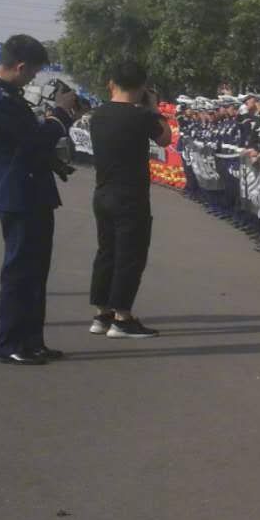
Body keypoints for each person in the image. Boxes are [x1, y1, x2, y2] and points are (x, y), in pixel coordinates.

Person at [0, 34, 65, 367]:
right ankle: (10, 343)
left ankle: (32, 340)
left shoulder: (5, 95)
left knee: (35, 272)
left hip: (30, 192)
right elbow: (32, 141)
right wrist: (60, 116)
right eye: (32, 72)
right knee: (19, 273)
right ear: (20, 66)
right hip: (19, 194)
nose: (33, 78)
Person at [86, 59, 171, 339]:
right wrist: (154, 108)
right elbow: (165, 139)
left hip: (103, 192)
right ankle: (122, 318)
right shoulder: (142, 116)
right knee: (129, 256)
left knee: (106, 253)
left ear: (111, 83)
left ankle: (102, 314)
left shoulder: (97, 114)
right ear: (143, 86)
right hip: (130, 196)